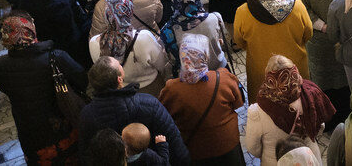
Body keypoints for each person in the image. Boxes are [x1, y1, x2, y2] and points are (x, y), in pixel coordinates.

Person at [0, 11, 88, 163]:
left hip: (29, 131)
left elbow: (3, 87)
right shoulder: (55, 57)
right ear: (30, 30)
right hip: (61, 124)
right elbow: (82, 80)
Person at [78, 56, 189, 162]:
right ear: (119, 79)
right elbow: (173, 140)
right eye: (119, 65)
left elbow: (86, 153)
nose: (121, 65)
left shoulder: (87, 115)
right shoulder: (149, 104)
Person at [158, 34, 245, 165]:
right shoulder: (223, 78)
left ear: (182, 57)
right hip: (227, 143)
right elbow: (239, 103)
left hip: (197, 150)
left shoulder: (171, 89)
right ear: (205, 56)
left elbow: (167, 117)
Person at [293, 0, 349, 125]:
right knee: (343, 75)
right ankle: (346, 115)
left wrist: (322, 26)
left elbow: (299, 8)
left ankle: (326, 119)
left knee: (322, 78)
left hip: (317, 40)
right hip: (343, 37)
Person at [234, 0, 314, 100]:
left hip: (261, 72)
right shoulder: (298, 7)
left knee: (264, 108)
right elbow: (308, 34)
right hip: (295, 69)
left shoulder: (243, 12)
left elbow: (239, 41)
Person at [246, 55, 334, 166]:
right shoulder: (310, 93)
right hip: (308, 157)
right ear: (295, 73)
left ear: (269, 78)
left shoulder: (257, 112)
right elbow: (320, 126)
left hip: (275, 161)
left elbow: (252, 147)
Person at [88, 0, 169, 93]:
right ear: (129, 11)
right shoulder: (144, 38)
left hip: (120, 92)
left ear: (106, 14)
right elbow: (162, 64)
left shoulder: (94, 43)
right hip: (151, 89)